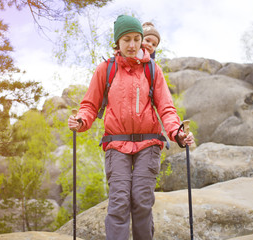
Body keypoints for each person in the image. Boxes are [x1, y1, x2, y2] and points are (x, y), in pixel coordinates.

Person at [68, 14, 194, 240]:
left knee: (142, 200)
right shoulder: (105, 70)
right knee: (119, 202)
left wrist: (176, 133)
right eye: (127, 39)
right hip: (116, 144)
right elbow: (89, 105)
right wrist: (81, 121)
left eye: (137, 38)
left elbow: (166, 107)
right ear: (117, 41)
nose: (133, 44)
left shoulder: (152, 70)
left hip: (149, 143)